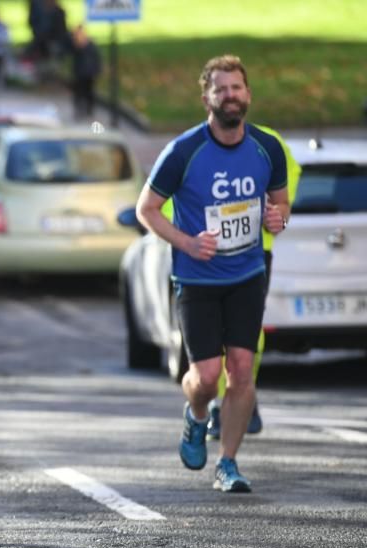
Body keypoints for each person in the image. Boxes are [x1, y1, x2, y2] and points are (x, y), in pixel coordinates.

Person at [135, 54, 289, 493]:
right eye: (221, 89)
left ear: (248, 94)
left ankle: (229, 463)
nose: (230, 96)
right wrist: (186, 242)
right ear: (207, 97)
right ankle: (197, 415)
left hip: (246, 274)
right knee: (206, 377)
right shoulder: (184, 151)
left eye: (236, 88)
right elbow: (147, 210)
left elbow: (280, 204)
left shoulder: (267, 148)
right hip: (197, 279)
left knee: (242, 370)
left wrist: (277, 219)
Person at [202, 125, 302, 440]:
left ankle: (243, 395)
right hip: (211, 254)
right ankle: (221, 404)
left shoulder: (269, 143)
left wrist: (279, 215)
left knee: (246, 333)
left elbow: (288, 188)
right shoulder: (195, 145)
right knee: (216, 333)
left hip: (256, 253)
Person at [70, 24, 100, 118]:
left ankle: (89, 109)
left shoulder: (90, 45)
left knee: (89, 91)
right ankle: (79, 109)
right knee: (78, 92)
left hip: (89, 72)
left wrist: (96, 70)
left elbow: (96, 58)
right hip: (79, 73)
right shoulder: (76, 45)